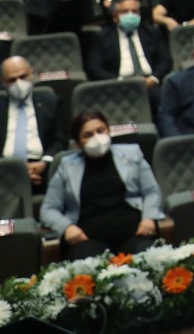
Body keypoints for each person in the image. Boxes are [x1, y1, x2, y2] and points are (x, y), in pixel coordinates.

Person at [40, 109, 163, 259]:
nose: (97, 138)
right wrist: (67, 227)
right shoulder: (66, 166)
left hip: (135, 233)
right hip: (88, 239)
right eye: (88, 135)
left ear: (108, 131)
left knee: (151, 259)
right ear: (78, 143)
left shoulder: (132, 154)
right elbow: (49, 208)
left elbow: (151, 191)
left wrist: (149, 217)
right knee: (87, 266)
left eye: (100, 130)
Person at [0, 56, 63, 188]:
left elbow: (60, 139)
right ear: (1, 81)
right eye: (12, 80)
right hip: (2, 172)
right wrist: (12, 171)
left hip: (43, 168)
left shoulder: (51, 102)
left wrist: (45, 162)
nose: (19, 83)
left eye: (23, 77)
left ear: (32, 73)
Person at [84, 0, 171, 92]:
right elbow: (94, 68)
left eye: (135, 11)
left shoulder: (152, 33)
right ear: (115, 17)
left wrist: (154, 79)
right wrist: (118, 82)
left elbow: (165, 60)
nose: (131, 15)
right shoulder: (102, 37)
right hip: (117, 86)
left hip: (150, 84)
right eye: (125, 12)